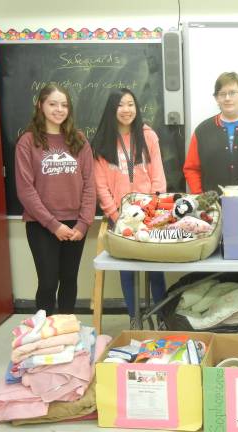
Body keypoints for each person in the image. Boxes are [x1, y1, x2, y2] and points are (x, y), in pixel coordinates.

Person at [15, 84, 96, 316]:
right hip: (42, 225)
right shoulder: (28, 142)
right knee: (49, 282)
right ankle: (44, 335)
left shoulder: (79, 140)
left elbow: (90, 184)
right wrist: (53, 225)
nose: (59, 109)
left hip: (76, 225)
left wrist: (83, 223)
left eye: (64, 105)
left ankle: (67, 333)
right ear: (40, 105)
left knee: (69, 281)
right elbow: (25, 190)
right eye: (53, 104)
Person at [92, 88, 167, 329]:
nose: (127, 110)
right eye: (121, 105)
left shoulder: (148, 136)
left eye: (131, 104)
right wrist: (116, 215)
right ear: (112, 109)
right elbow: (101, 186)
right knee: (127, 270)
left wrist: (154, 209)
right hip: (120, 217)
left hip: (151, 215)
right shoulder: (103, 142)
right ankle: (134, 318)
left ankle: (162, 316)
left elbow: (158, 175)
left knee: (156, 269)